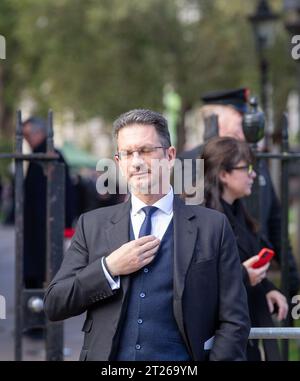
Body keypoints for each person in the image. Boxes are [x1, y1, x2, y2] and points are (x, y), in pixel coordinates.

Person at [44, 109, 250, 361]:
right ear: (118, 163)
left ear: (170, 155)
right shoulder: (92, 225)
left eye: (146, 150)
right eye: (128, 154)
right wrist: (108, 268)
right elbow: (55, 303)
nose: (137, 161)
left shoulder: (212, 227)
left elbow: (235, 320)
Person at [179, 88, 300, 298]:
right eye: (240, 116)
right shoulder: (190, 160)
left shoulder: (253, 158)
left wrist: (291, 281)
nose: (247, 122)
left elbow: (275, 221)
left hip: (258, 276)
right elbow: (191, 231)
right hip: (222, 287)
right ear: (216, 119)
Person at [202, 136, 288, 361]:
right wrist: (242, 274)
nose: (253, 174)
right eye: (246, 167)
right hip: (218, 337)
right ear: (223, 174)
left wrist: (267, 286)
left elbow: (249, 257)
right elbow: (196, 277)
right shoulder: (201, 218)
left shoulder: (240, 211)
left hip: (245, 329)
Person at [23, 117, 75, 289]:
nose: (27, 140)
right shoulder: (42, 154)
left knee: (46, 273)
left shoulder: (47, 155)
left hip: (45, 225)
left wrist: (66, 223)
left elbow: (64, 191)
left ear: (39, 133)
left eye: (28, 135)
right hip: (43, 224)